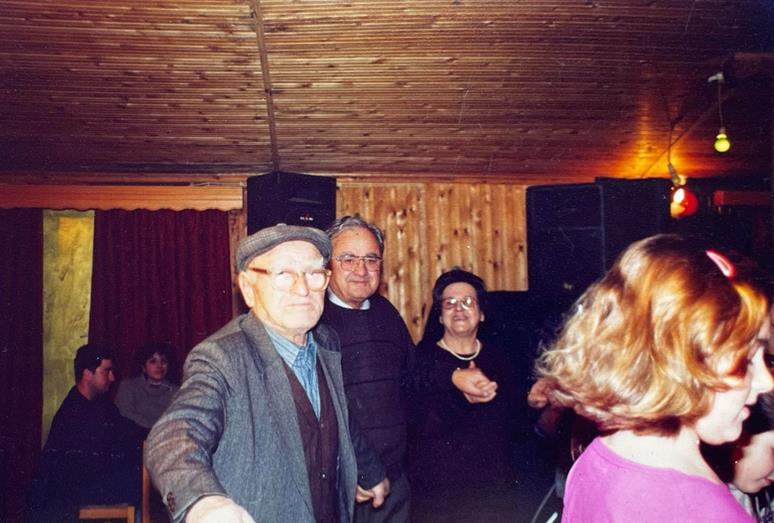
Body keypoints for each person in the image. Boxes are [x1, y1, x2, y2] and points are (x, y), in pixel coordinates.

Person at [145, 223, 385, 523]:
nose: (303, 289)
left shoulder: (326, 342)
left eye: (313, 274)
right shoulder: (221, 357)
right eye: (284, 274)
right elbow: (175, 434)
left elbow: (339, 417)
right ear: (248, 288)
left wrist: (370, 471)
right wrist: (202, 502)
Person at [534, 234, 773, 522]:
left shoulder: (596, 458)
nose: (767, 381)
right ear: (679, 362)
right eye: (746, 360)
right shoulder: (706, 514)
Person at [319, 217, 498, 523]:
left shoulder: (385, 312)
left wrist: (455, 377)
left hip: (395, 481)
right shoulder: (315, 319)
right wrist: (358, 470)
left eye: (371, 259)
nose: (361, 270)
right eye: (348, 259)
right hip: (346, 483)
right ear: (328, 265)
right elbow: (325, 406)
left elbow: (413, 375)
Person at [408, 268, 519, 521]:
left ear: (482, 314)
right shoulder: (420, 359)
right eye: (449, 303)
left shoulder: (500, 359)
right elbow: (418, 427)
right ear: (439, 316)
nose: (459, 308)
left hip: (493, 498)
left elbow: (514, 430)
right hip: (439, 501)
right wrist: (461, 399)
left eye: (468, 302)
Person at [26, 343, 144, 522]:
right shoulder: (72, 412)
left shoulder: (101, 404)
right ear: (88, 374)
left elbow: (128, 430)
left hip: (90, 482)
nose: (112, 377)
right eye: (106, 371)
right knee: (139, 482)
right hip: (73, 492)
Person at [115, 341, 179, 432]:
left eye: (163, 361)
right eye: (153, 361)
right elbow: (124, 413)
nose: (159, 366)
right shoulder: (128, 386)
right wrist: (155, 426)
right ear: (143, 367)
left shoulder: (176, 391)